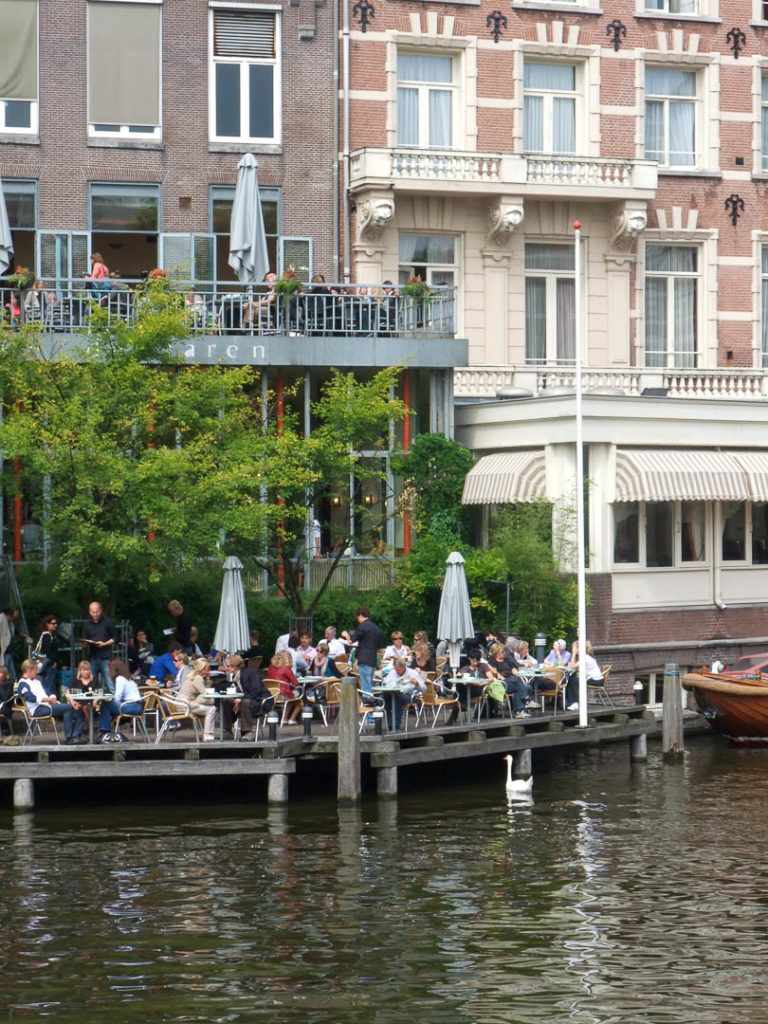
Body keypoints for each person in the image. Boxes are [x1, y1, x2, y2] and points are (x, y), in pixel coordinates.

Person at [17, 657, 84, 743]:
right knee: (68, 708)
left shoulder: (37, 681)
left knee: (77, 710)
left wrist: (52, 698)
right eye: (36, 670)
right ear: (29, 671)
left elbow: (48, 692)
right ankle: (69, 738)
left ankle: (76, 736)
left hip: (48, 705)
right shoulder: (23, 683)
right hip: (38, 709)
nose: (37, 672)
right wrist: (48, 699)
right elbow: (31, 698)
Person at [224, 654, 273, 740]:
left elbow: (256, 690)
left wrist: (241, 699)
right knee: (226, 701)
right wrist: (236, 700)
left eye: (228, 666)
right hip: (247, 700)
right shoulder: (235, 677)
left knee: (244, 702)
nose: (226, 668)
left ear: (235, 666)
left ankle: (247, 732)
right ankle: (227, 730)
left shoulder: (250, 673)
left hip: (260, 701)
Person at [97, 658, 144, 743]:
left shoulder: (120, 679)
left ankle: (104, 731)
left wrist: (109, 699)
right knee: (107, 705)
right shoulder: (129, 679)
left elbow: (117, 697)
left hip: (131, 706)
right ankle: (106, 730)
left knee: (105, 705)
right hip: (138, 706)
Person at [342, 606, 382, 695]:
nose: (357, 619)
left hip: (364, 658)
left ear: (360, 615)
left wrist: (345, 635)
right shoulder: (376, 628)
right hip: (372, 659)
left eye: (357, 617)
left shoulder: (362, 626)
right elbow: (379, 647)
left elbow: (351, 640)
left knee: (365, 685)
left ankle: (367, 703)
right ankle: (371, 702)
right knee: (370, 683)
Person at [176, 657, 217, 741]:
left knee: (209, 706)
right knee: (212, 709)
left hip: (183, 703)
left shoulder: (193, 675)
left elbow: (204, 694)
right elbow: (206, 694)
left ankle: (208, 734)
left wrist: (208, 680)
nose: (209, 670)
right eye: (208, 668)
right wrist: (211, 700)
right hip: (186, 705)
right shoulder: (197, 678)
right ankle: (207, 734)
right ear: (202, 669)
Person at [81, 602, 116, 694]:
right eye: (92, 612)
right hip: (93, 656)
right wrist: (84, 644)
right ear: (89, 612)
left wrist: (104, 644)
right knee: (92, 685)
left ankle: (115, 704)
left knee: (110, 683)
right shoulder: (87, 624)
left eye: (96, 612)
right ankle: (93, 705)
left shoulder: (108, 622)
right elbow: (84, 639)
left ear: (100, 611)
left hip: (105, 657)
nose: (95, 614)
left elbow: (115, 638)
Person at [381, 657, 425, 731]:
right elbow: (386, 682)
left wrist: (417, 684)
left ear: (404, 667)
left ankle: (396, 725)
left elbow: (424, 689)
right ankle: (390, 725)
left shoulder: (413, 673)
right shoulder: (393, 672)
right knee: (384, 697)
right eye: (396, 670)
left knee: (397, 698)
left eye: (398, 670)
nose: (397, 672)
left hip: (409, 695)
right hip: (394, 693)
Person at [566, 641, 603, 711]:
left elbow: (572, 666)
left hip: (595, 680)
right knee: (572, 679)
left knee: (573, 681)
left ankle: (575, 703)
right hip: (596, 679)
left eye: (573, 648)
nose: (572, 649)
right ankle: (571, 702)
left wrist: (573, 654)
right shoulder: (585, 656)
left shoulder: (585, 658)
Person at [266, 650, 302, 723]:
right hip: (283, 694)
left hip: (273, 694)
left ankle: (285, 719)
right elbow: (295, 683)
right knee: (300, 701)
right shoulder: (286, 668)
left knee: (291, 699)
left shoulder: (271, 667)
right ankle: (291, 719)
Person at [65, 660, 98, 739]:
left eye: (87, 670)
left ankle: (88, 732)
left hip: (91, 704)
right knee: (84, 708)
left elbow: (98, 692)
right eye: (84, 670)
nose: (86, 672)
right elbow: (67, 692)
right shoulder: (75, 680)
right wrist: (73, 702)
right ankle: (89, 732)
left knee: (86, 708)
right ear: (80, 671)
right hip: (78, 703)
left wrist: (95, 700)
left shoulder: (94, 680)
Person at [35, 614, 62, 695]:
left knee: (47, 684)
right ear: (47, 624)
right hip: (49, 665)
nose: (55, 625)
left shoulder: (46, 635)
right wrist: (53, 662)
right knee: (49, 685)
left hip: (46, 663)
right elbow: (47, 652)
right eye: (53, 623)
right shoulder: (47, 636)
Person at [0, 606, 27, 681]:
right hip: (3, 651)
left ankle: (13, 687)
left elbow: (15, 630)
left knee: (12, 675)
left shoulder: (10, 623)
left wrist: (23, 635)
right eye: (13, 617)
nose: (13, 620)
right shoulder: (1, 620)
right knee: (4, 673)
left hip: (8, 651)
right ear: (8, 615)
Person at [0, 666, 14, 736]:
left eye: (0, 673)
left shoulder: (9, 684)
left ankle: (5, 731)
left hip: (5, 706)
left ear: (4, 674)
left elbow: (6, 697)